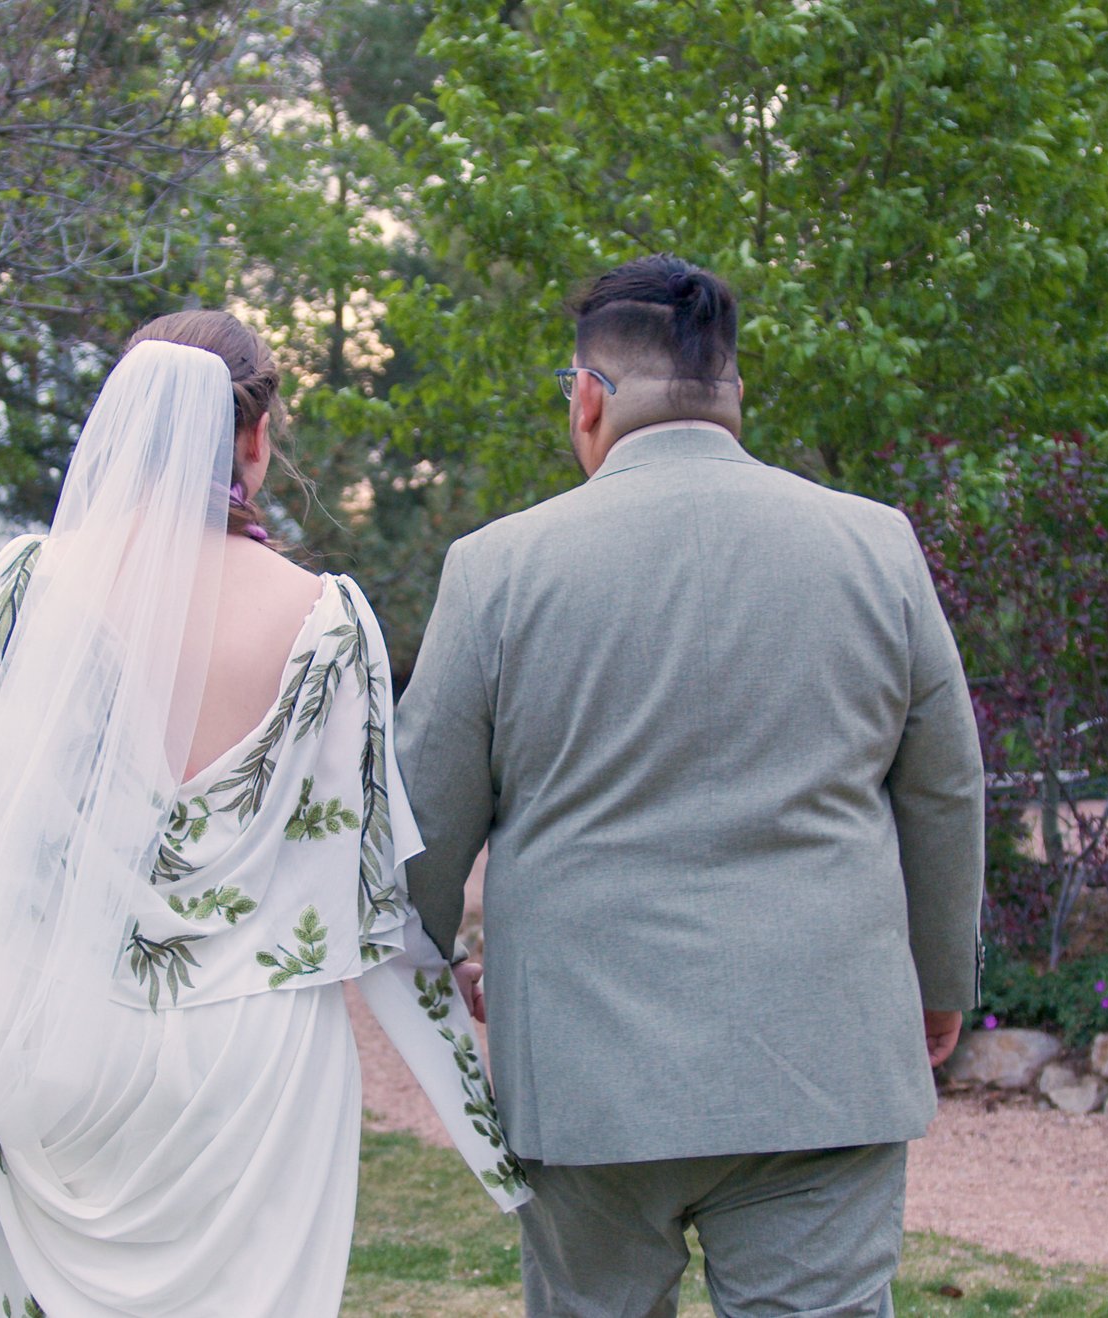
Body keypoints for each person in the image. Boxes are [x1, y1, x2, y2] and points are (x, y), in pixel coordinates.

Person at [0, 311, 526, 1318]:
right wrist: (489, 1124)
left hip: (63, 1037)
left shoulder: (28, 587)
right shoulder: (327, 617)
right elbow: (373, 894)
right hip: (259, 1060)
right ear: (254, 437)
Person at [395, 255, 985, 1318]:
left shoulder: (497, 568)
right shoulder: (874, 545)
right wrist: (938, 980)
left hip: (585, 1073)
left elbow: (424, 821)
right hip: (822, 1058)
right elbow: (944, 790)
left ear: (587, 395)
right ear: (733, 393)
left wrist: (433, 969)